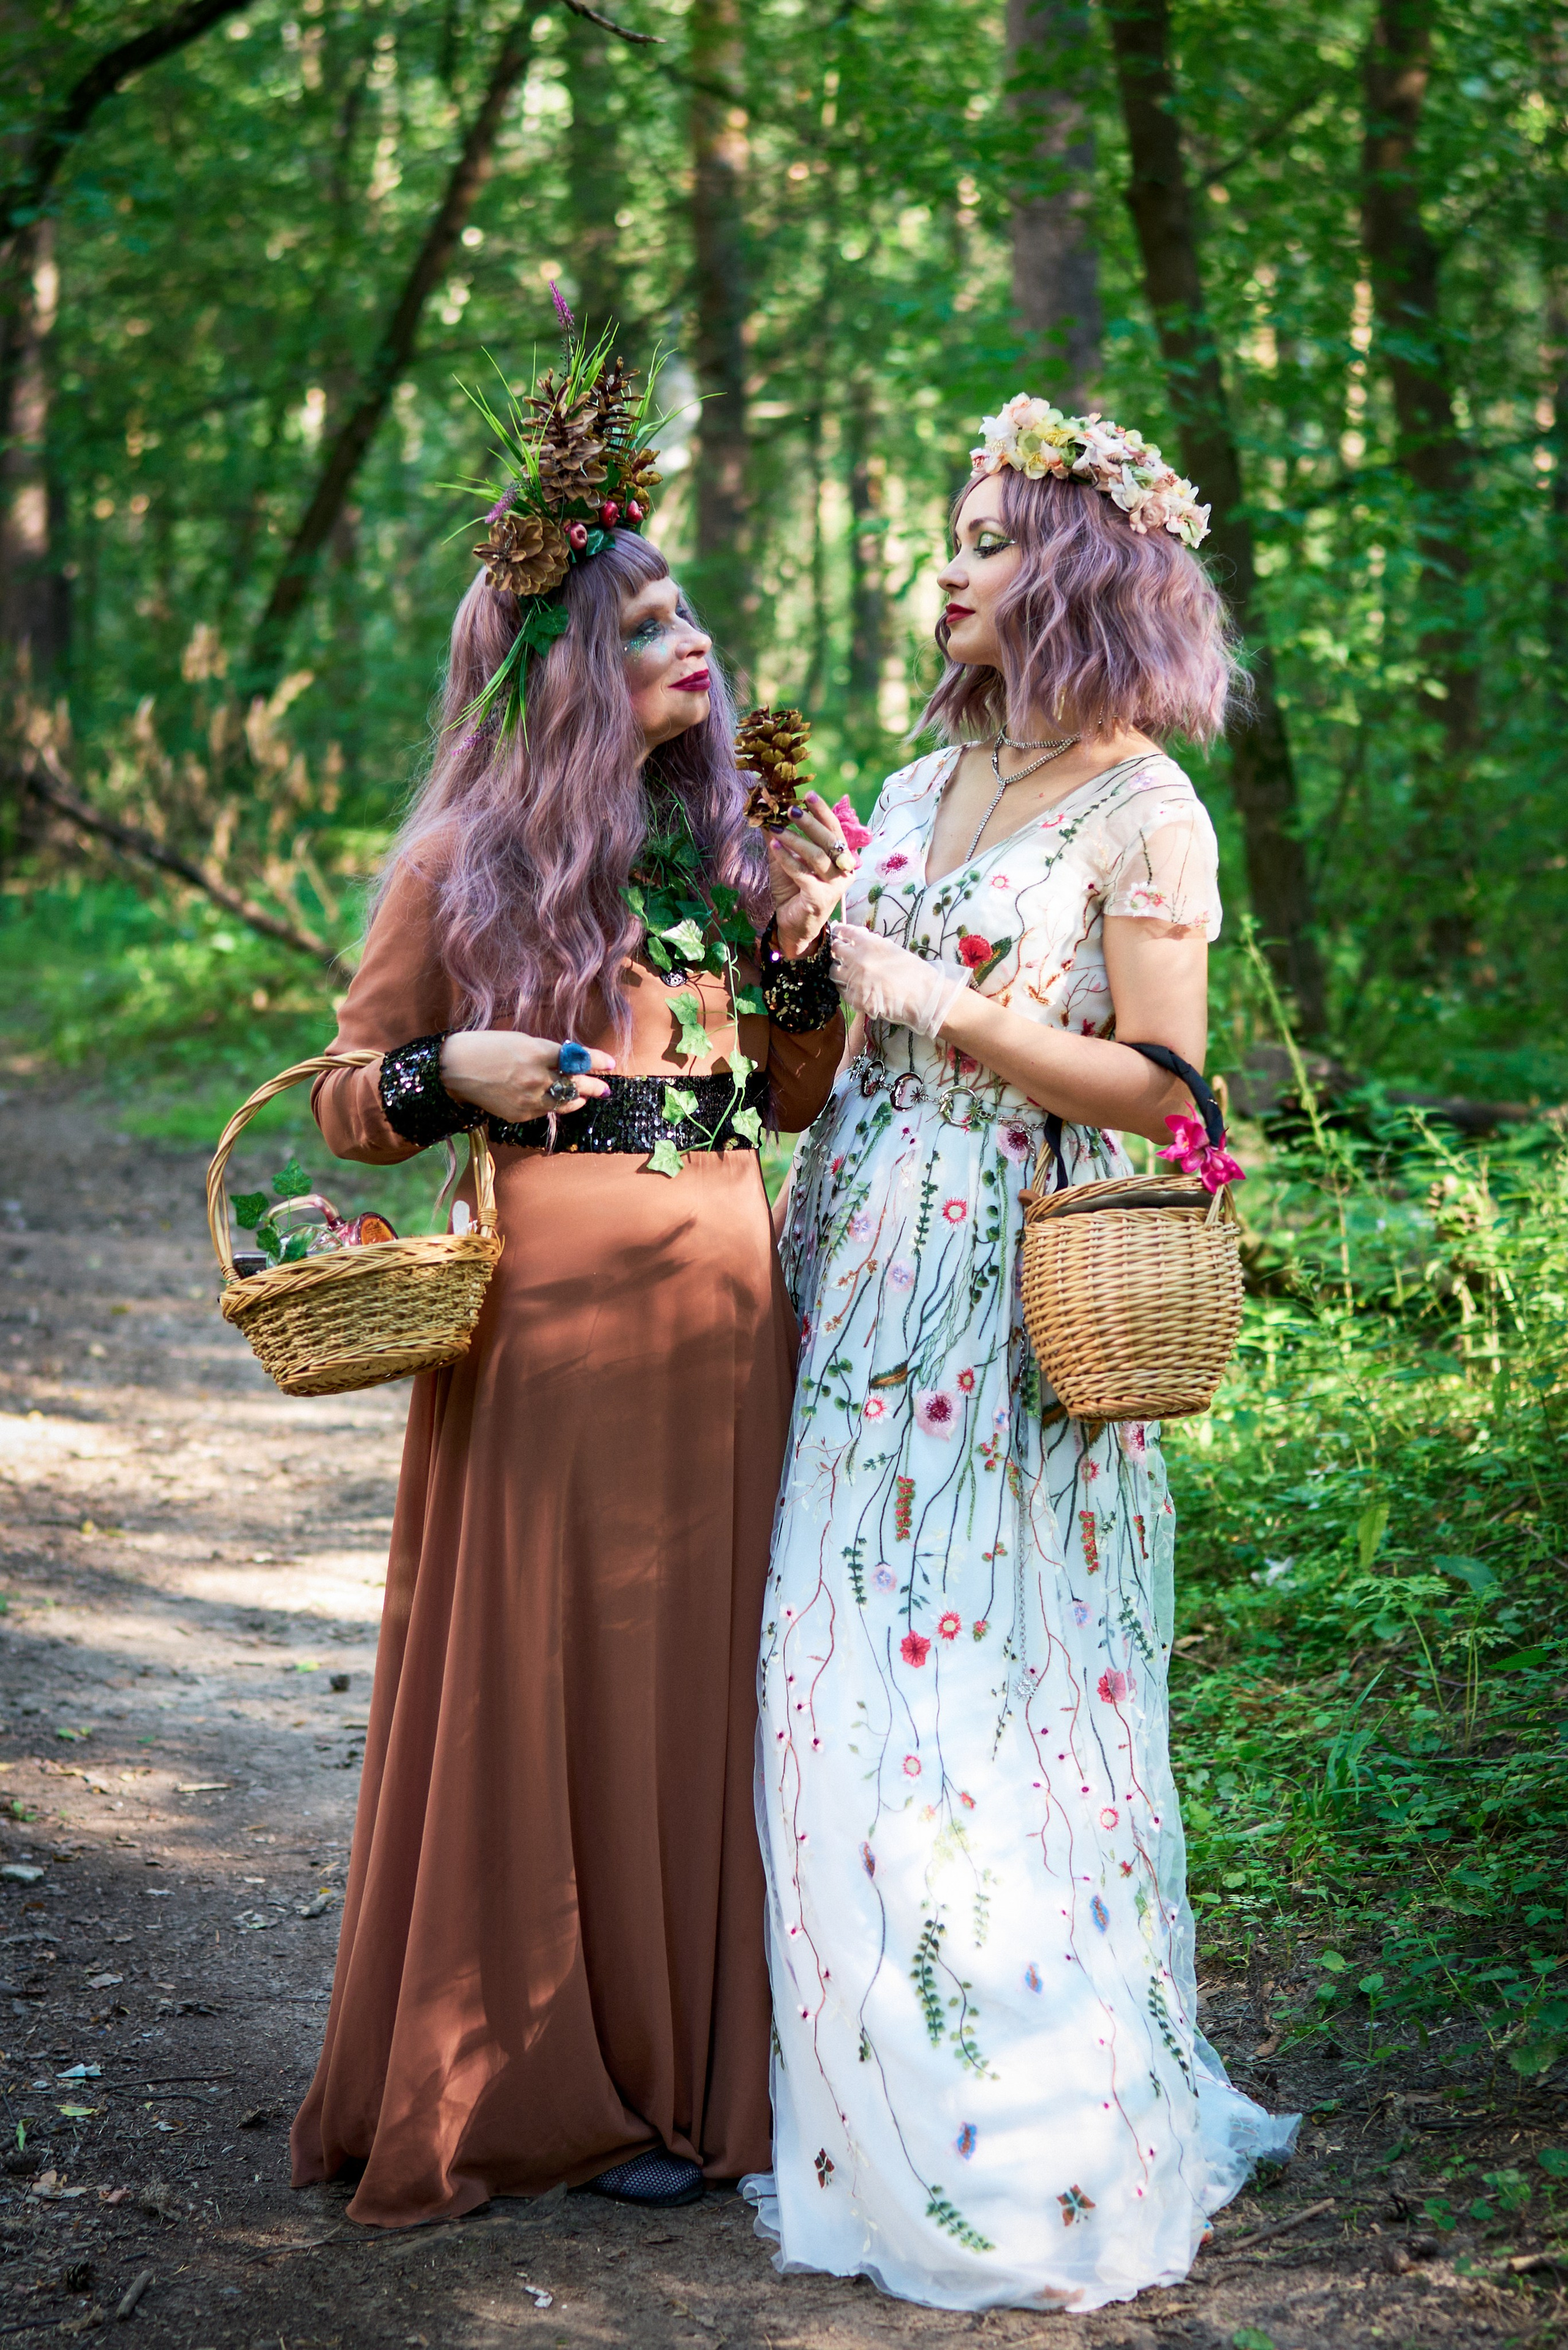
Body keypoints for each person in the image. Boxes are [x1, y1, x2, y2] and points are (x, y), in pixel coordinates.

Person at [288, 331, 850, 2228]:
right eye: (643, 630)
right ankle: (541, 2069)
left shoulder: (729, 842)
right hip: (551, 1338)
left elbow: (786, 1092)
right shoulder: (459, 862)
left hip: (728, 1317)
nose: (692, 646)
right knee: (560, 1683)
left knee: (708, 1691)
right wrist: (456, 1075)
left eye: (691, 615)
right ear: (556, 675)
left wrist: (804, 964)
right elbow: (347, 1111)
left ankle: (704, 2081)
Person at [746, 395, 1297, 2311]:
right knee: (834, 1674)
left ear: (1072, 572)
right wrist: (821, 949)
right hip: (856, 1273)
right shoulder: (916, 785)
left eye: (984, 537)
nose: (948, 567)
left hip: (1010, 1297)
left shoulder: (1151, 811)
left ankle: (1040, 2142)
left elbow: (1166, 1093)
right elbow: (834, 1044)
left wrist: (943, 1009)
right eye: (953, 532)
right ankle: (875, 2114)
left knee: (992, 1696)